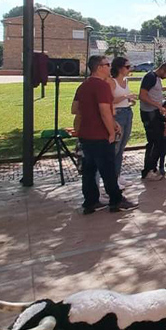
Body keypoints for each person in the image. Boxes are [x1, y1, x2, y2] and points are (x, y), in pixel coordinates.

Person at [71, 55, 138, 213]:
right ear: (99, 67)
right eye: (107, 64)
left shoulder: (83, 86)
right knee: (108, 169)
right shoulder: (102, 86)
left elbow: (75, 109)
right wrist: (111, 131)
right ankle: (116, 200)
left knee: (89, 170)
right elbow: (104, 111)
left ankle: (90, 202)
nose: (110, 67)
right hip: (99, 134)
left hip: (85, 134)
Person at [138, 63, 166, 179]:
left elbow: (153, 90)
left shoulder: (156, 79)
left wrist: (164, 89)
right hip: (150, 113)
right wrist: (158, 105)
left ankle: (152, 168)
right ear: (164, 70)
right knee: (155, 142)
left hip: (154, 113)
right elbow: (142, 95)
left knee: (158, 142)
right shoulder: (150, 77)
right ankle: (148, 170)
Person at [107, 57, 137, 187]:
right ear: (119, 68)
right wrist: (125, 97)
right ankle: (111, 179)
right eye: (127, 67)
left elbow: (124, 98)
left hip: (127, 112)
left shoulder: (126, 81)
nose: (129, 69)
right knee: (115, 147)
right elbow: (109, 101)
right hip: (117, 114)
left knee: (122, 147)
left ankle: (117, 175)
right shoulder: (112, 82)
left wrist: (129, 101)